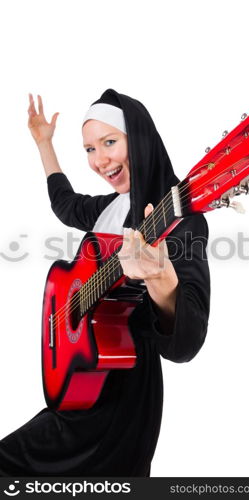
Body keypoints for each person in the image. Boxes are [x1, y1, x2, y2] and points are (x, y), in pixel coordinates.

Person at [0, 89, 210, 476]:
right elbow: (65, 203)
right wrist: (45, 143)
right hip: (82, 384)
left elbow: (187, 344)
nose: (99, 161)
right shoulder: (111, 206)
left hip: (121, 400)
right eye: (89, 149)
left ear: (140, 140)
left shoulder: (181, 221)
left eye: (109, 142)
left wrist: (161, 278)